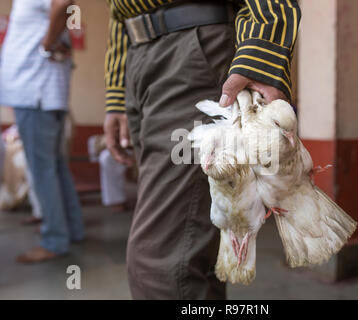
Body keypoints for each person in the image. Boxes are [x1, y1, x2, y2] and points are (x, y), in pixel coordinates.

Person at [103, 1, 301, 299]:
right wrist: (118, 90)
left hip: (193, 49)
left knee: (161, 264)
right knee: (192, 252)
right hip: (138, 56)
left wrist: (262, 49)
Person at [0, 0, 84, 263]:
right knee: (55, 167)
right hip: (42, 94)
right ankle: (71, 229)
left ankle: (55, 240)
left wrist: (46, 43)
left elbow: (63, 3)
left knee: (42, 169)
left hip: (35, 94)